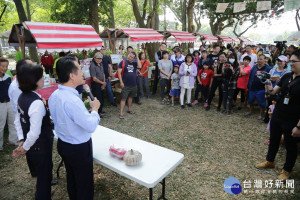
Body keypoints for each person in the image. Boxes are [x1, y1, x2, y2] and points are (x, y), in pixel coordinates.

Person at [49, 56, 100, 200]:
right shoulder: (71, 100)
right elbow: (90, 126)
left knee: (72, 179)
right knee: (84, 185)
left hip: (64, 144)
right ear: (72, 75)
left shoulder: (55, 95)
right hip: (78, 148)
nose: (83, 72)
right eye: (80, 69)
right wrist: (95, 110)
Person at [255, 49, 300, 181]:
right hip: (278, 114)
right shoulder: (287, 76)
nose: (290, 63)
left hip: (293, 119)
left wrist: (298, 126)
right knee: (273, 139)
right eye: (290, 61)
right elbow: (273, 92)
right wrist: (267, 82)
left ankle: (287, 170)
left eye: (293, 61)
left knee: (290, 146)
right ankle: (270, 161)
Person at [13, 64, 54, 199]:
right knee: (44, 178)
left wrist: (21, 140)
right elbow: (35, 133)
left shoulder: (22, 97)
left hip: (31, 145)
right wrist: (23, 147)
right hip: (40, 145)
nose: (44, 78)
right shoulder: (36, 103)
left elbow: (17, 120)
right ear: (34, 81)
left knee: (41, 174)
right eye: (41, 76)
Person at [246, 54, 272, 120]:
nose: (259, 60)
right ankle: (250, 111)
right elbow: (250, 77)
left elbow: (270, 78)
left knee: (261, 102)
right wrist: (248, 86)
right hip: (252, 88)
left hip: (262, 89)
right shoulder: (254, 67)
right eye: (258, 59)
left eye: (261, 59)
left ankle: (261, 114)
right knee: (251, 100)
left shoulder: (268, 68)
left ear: (265, 60)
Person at [0, 58, 18, 151]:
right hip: (1, 104)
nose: (4, 68)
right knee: (1, 125)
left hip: (9, 102)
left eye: (6, 66)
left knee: (13, 122)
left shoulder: (8, 77)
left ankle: (13, 140)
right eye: (2, 66)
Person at [118, 52, 141, 119]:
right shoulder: (123, 62)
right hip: (125, 84)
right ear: (128, 55)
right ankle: (121, 113)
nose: (130, 58)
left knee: (131, 97)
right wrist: (121, 82)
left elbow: (139, 66)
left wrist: (137, 57)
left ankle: (129, 109)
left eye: (132, 57)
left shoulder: (134, 63)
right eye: (130, 56)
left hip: (133, 84)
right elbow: (119, 73)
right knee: (123, 99)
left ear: (134, 58)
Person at [89, 52, 106, 117]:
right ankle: (97, 112)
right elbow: (94, 78)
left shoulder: (101, 64)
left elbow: (103, 74)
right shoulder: (92, 66)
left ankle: (101, 110)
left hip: (102, 83)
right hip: (96, 84)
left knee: (102, 97)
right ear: (94, 58)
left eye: (100, 58)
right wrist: (102, 83)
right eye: (98, 58)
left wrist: (104, 83)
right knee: (97, 98)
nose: (99, 60)